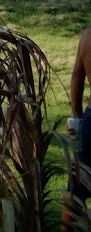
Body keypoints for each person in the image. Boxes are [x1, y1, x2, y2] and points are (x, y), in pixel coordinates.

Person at [71, 29, 91, 197]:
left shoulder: (87, 36)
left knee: (78, 183)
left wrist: (76, 115)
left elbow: (77, 76)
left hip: (90, 120)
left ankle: (66, 224)